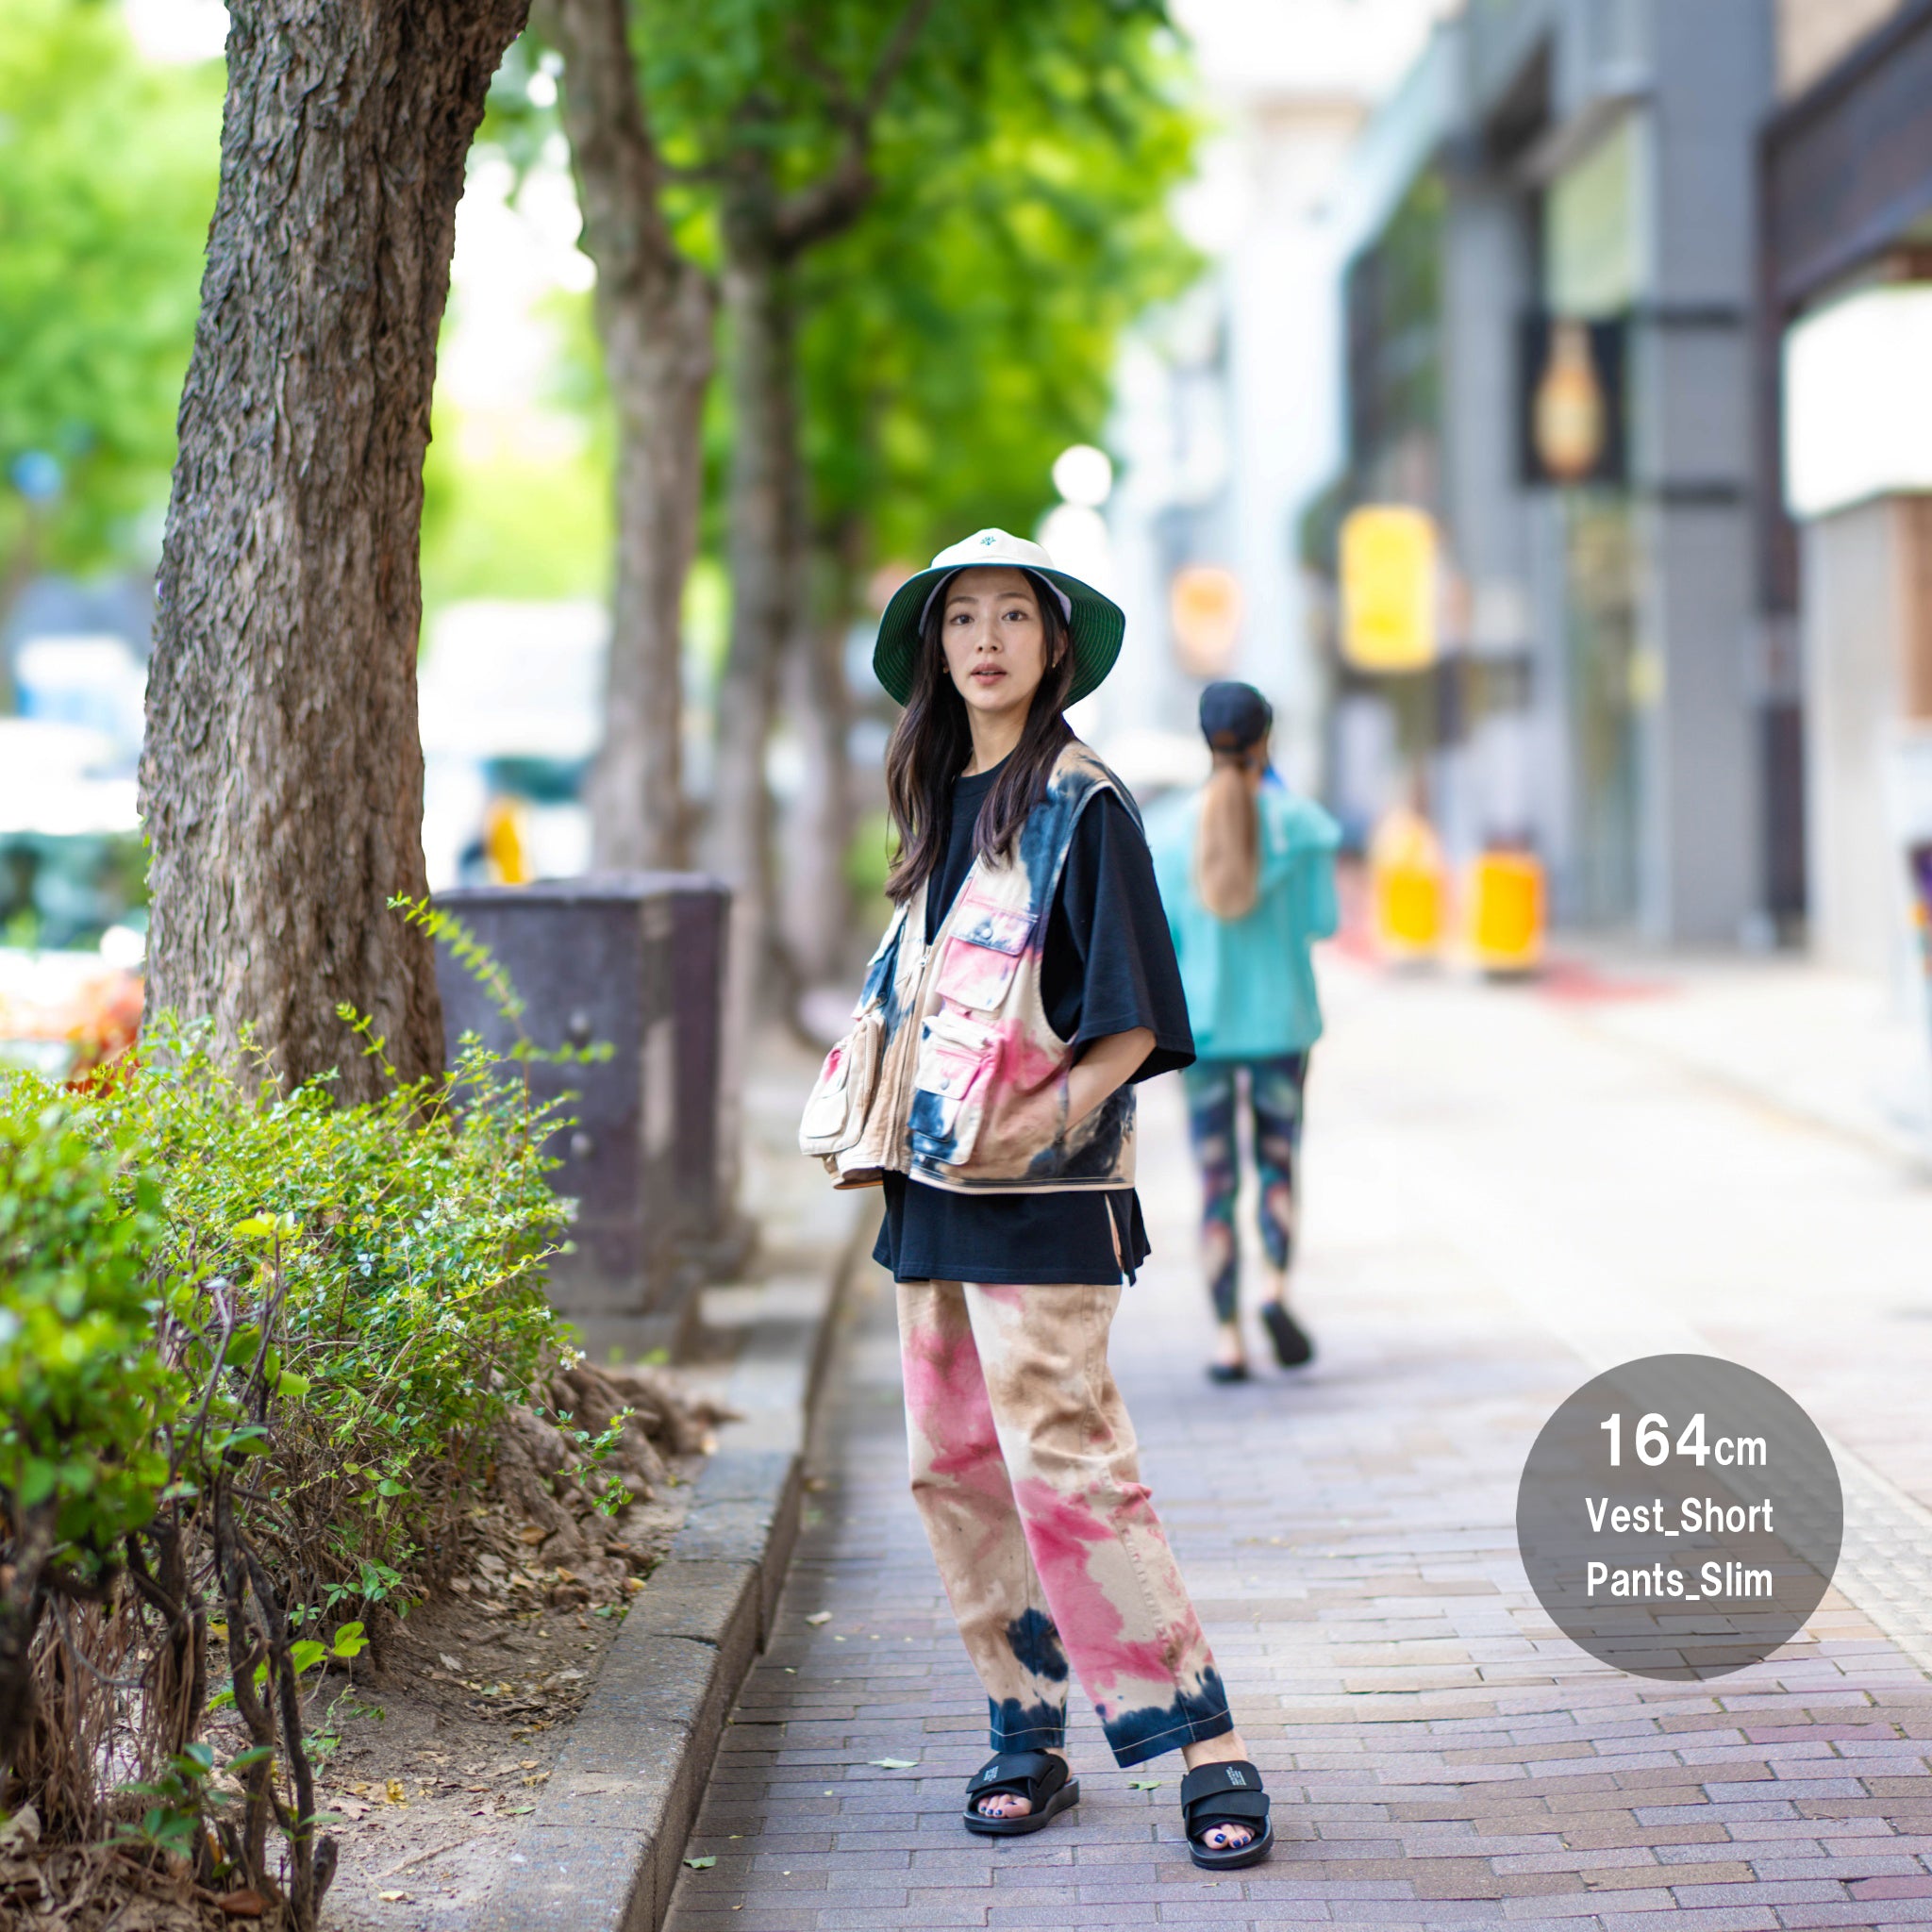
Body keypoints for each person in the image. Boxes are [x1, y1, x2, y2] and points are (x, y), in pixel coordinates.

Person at [799, 530, 1274, 1869]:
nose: (988, 640)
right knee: (953, 1469)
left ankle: (1204, 1744)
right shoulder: (941, 796)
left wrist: (1041, 1123)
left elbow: (1136, 1023)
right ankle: (1025, 1730)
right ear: (935, 650)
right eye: (963, 620)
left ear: (1053, 648)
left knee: (1071, 1467)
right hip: (932, 1195)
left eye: (1014, 616)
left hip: (1044, 1201)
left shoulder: (1087, 804)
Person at [1146, 681, 1340, 1384]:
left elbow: (1160, 941)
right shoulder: (1305, 826)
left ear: (1206, 742)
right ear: (1266, 740)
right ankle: (1275, 1292)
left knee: (1216, 1181)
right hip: (1283, 1029)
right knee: (1277, 1166)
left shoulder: (1167, 834)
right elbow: (1325, 922)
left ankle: (1228, 1339)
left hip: (1202, 1035)